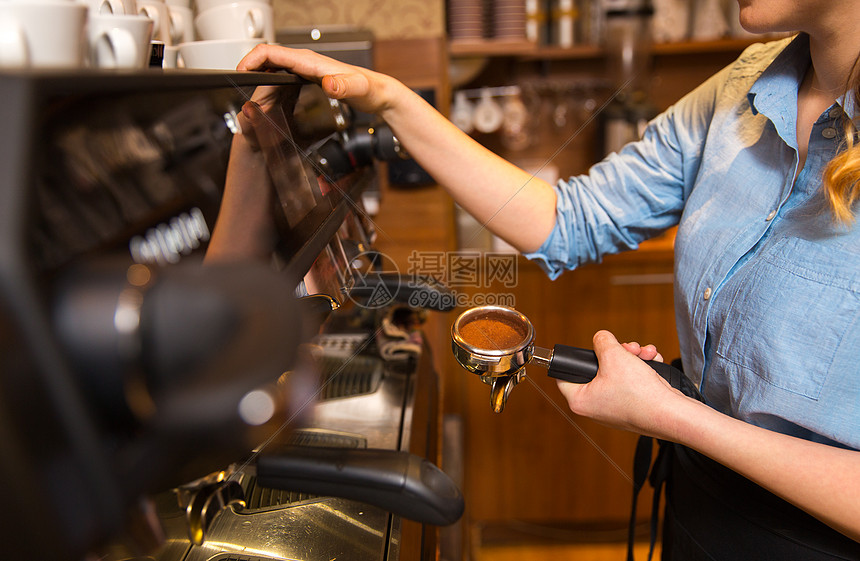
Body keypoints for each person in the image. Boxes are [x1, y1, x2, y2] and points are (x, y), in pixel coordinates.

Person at [235, 0, 860, 557]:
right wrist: (391, 98)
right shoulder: (743, 86)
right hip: (696, 500)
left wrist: (675, 417)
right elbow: (571, 217)